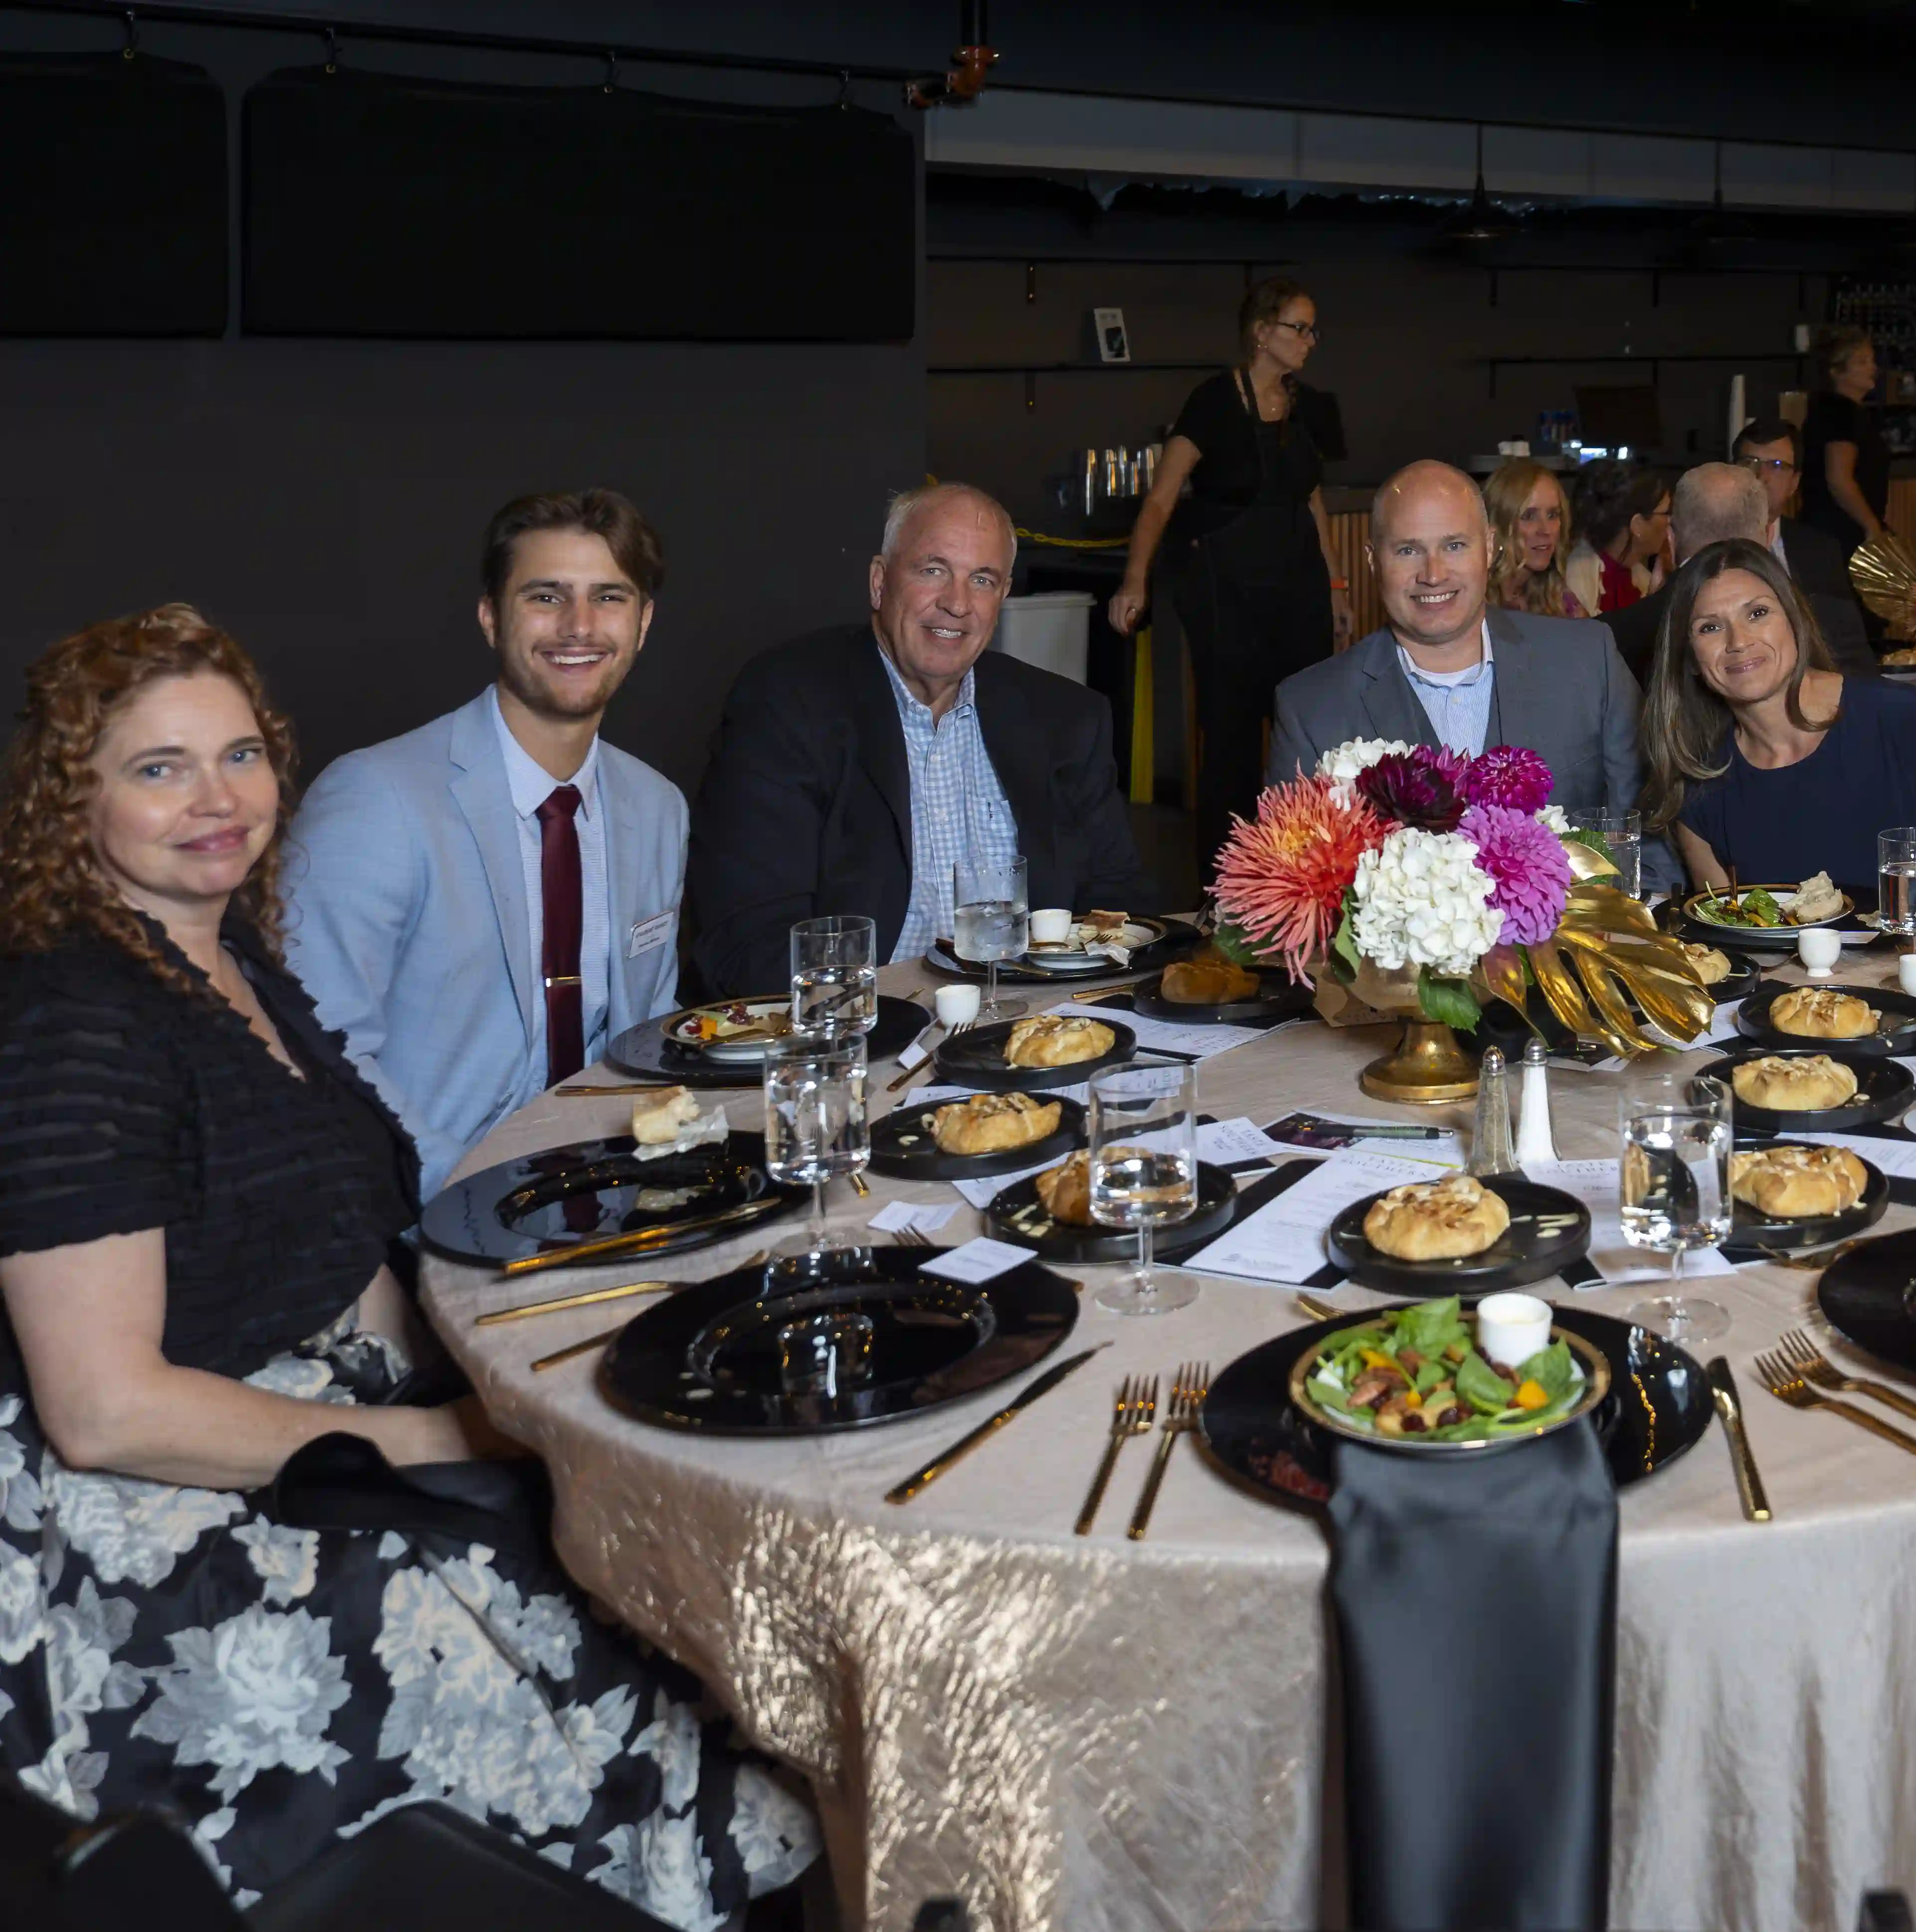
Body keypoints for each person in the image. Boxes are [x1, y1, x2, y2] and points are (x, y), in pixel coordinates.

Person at [0, 606, 820, 1916]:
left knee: (679, 1585)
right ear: (70, 800)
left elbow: (331, 1249)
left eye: (240, 756)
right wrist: (449, 1439)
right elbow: (104, 1411)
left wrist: (537, 1367)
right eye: (158, 769)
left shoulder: (230, 962)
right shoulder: (77, 1024)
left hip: (323, 1427)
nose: (218, 799)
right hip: (173, 1536)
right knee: (633, 1674)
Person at [285, 490, 685, 1200]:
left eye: (609, 598)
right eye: (545, 595)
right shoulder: (376, 798)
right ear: (490, 615)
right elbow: (319, 1049)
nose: (579, 626)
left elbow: (643, 1041)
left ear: (643, 622)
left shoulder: (657, 808)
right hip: (425, 1213)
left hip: (612, 1200)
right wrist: (471, 1189)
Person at [691, 482, 1150, 999]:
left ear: (1002, 597)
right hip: (862, 1031)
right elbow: (749, 942)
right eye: (933, 570)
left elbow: (1120, 912)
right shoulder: (788, 705)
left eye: (982, 579)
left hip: (1033, 1024)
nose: (956, 603)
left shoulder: (1064, 717)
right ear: (879, 582)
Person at [1267, 461, 1671, 885]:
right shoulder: (1310, 708)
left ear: (1490, 546)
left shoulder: (1589, 660)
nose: (1433, 574)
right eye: (1407, 550)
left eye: (1454, 545)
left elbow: (1651, 853)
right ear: (1372, 560)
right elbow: (1289, 892)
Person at [1106, 278, 1349, 875]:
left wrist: (1337, 587)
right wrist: (1134, 579)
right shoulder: (1213, 402)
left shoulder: (1307, 406)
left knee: (1307, 733)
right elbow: (1162, 501)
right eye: (1299, 327)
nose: (1310, 341)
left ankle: (1308, 880)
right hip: (1227, 596)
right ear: (1262, 333)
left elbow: (1313, 502)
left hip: (1299, 590)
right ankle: (1228, 891)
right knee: (1232, 744)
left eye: (1314, 329)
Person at [1643, 539, 1916, 923]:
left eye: (1757, 613)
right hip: (1788, 984)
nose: (1738, 642)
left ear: (1796, 621)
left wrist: (1911, 971)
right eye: (1710, 627)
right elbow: (1735, 938)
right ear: (1689, 657)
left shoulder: (1910, 725)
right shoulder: (1699, 786)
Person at [1600, 462, 1875, 682]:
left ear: (1670, 539)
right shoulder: (1831, 619)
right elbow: (1865, 718)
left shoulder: (1610, 637)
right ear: (1768, 537)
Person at [1732, 415, 1856, 602]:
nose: (1761, 476)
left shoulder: (1821, 551)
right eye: (1750, 462)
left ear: (1794, 483)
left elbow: (1845, 629)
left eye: (1776, 466)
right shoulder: (1708, 542)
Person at [1798, 326, 1893, 555]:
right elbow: (1839, 479)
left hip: (1839, 528)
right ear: (1836, 371)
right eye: (1862, 362)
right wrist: (1872, 527)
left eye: (1872, 360)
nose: (1873, 368)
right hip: (1839, 532)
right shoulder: (1839, 412)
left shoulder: (1840, 410)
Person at [1564, 460, 1671, 615]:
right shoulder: (1580, 575)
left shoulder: (1640, 577)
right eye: (1665, 513)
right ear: (1638, 525)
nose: (1670, 521)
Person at [1485, 458, 1583, 619]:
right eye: (1529, 516)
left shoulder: (1556, 594)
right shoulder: (1475, 599)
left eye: (1553, 515)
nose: (1546, 530)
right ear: (1499, 524)